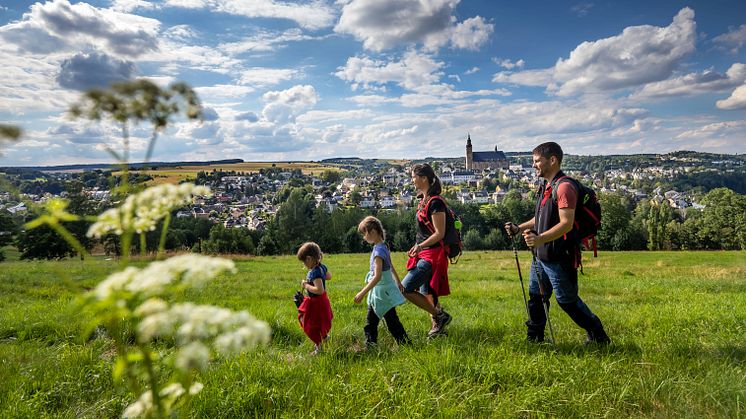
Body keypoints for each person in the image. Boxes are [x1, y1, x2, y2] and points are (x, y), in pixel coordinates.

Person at [505, 141, 610, 345]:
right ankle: (534, 338)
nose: (533, 165)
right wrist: (519, 228)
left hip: (560, 256)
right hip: (541, 255)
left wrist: (539, 238)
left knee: (567, 301)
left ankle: (598, 335)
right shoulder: (546, 186)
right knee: (536, 298)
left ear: (552, 160)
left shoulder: (564, 188)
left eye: (537, 161)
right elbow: (541, 217)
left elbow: (566, 223)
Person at [401, 163, 453, 338]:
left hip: (432, 255)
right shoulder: (423, 200)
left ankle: (440, 316)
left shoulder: (435, 202)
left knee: (405, 288)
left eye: (414, 176)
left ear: (424, 178)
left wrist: (420, 246)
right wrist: (417, 245)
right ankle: (438, 329)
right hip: (424, 253)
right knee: (427, 293)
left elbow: (440, 233)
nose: (412, 180)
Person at [354, 216, 410, 347]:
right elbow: (391, 266)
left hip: (381, 294)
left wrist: (362, 293)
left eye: (364, 233)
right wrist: (398, 281)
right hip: (383, 292)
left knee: (374, 323)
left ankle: (371, 347)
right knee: (390, 321)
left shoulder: (379, 251)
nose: (364, 237)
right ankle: (405, 344)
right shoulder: (383, 246)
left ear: (373, 231)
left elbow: (377, 276)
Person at [296, 242, 333, 354]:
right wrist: (318, 278)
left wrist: (306, 285)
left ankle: (319, 348)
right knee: (320, 322)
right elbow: (329, 276)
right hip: (323, 302)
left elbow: (319, 290)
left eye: (304, 261)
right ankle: (325, 339)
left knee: (313, 324)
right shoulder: (322, 267)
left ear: (309, 259)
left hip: (317, 302)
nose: (304, 264)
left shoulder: (314, 272)